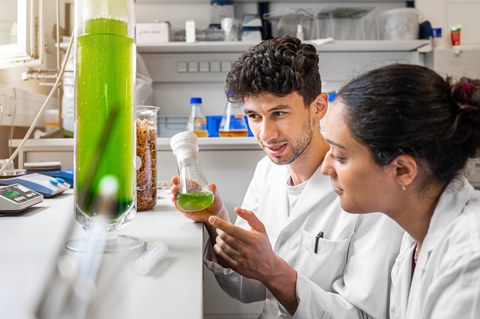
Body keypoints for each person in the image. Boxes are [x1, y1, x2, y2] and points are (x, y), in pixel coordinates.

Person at [171, 35, 403, 318]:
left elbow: (363, 315)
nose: (266, 134)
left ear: (318, 107)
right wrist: (215, 220)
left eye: (278, 113)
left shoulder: (371, 193)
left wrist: (272, 269)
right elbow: (246, 289)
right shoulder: (266, 170)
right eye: (254, 116)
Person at [321, 63, 480, 319]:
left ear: (402, 170)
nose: (325, 168)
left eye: (339, 156)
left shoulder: (469, 261)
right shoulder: (414, 241)